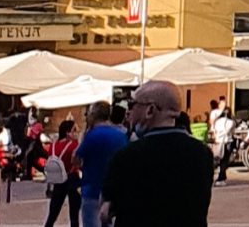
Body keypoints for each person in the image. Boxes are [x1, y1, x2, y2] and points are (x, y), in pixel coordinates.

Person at [100, 82, 212, 227]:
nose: (129, 112)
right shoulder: (203, 154)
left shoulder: (126, 156)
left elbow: (105, 211)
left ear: (150, 110)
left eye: (132, 105)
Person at [73, 105, 126, 227]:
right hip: (114, 192)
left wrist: (83, 167)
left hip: (91, 190)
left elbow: (76, 158)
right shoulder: (120, 135)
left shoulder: (91, 136)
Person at [39, 120, 79, 227]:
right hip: (71, 178)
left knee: (53, 213)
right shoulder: (73, 145)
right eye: (74, 130)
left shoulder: (53, 146)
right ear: (67, 133)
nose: (76, 133)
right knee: (74, 214)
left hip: (58, 179)